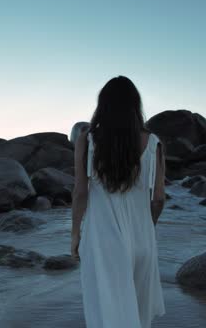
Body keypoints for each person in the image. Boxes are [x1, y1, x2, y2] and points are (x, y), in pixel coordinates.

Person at [71, 76, 166, 327]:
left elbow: (80, 192)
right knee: (136, 316)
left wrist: (75, 234)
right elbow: (158, 199)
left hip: (103, 240)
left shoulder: (88, 139)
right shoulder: (153, 142)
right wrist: (148, 227)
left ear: (103, 105)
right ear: (136, 105)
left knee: (107, 314)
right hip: (142, 238)